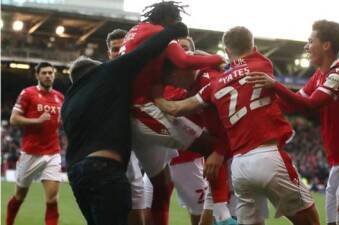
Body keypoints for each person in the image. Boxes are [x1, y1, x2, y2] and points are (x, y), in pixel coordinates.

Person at [153, 26, 320, 225]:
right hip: (267, 155)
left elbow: (178, 108)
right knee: (309, 221)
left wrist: (155, 98)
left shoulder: (215, 85)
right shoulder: (261, 64)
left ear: (227, 51)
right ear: (253, 46)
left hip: (240, 167)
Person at [246, 20, 339, 225]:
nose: (306, 46)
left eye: (310, 41)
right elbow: (293, 104)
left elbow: (311, 104)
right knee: (334, 223)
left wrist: (275, 85)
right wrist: (258, 97)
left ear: (326, 45)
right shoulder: (320, 75)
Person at [61, 22, 189, 225]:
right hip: (106, 167)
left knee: (143, 189)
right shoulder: (109, 74)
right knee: (154, 183)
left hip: (77, 173)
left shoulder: (68, 102)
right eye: (114, 49)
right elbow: (145, 51)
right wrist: (173, 29)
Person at [122, 2, 224, 225]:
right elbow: (184, 61)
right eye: (176, 23)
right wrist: (218, 58)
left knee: (159, 183)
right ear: (169, 19)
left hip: (126, 111)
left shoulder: (135, 32)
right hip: (141, 110)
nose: (176, 29)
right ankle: (222, 206)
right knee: (211, 146)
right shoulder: (160, 33)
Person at [6, 62, 64, 225]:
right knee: (20, 195)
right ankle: (9, 222)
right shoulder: (28, 93)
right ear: (37, 75)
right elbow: (14, 119)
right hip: (30, 153)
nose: (48, 76)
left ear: (54, 75)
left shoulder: (60, 97)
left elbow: (61, 121)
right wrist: (37, 121)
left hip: (52, 153)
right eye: (44, 73)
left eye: (50, 73)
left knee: (52, 198)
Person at [106, 28, 146, 225]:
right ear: (108, 53)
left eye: (122, 48)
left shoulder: (142, 76)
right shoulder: (100, 78)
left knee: (138, 197)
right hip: (109, 149)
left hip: (139, 147)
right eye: (114, 49)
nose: (119, 52)